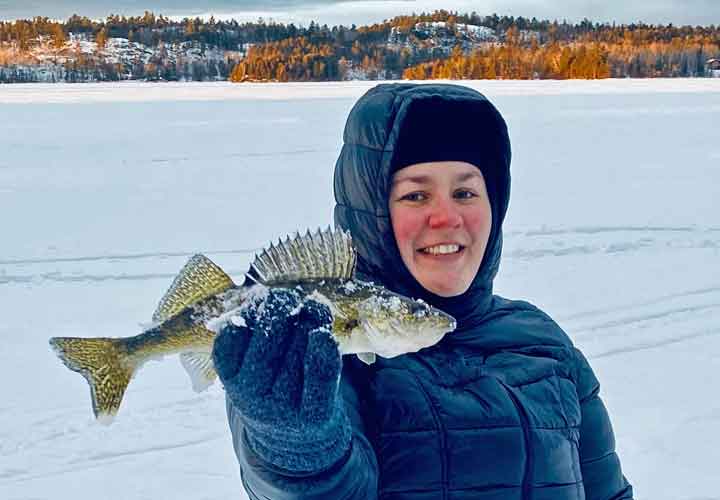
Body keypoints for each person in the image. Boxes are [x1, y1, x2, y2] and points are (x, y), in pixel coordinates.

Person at [212, 83, 634, 499]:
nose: (446, 217)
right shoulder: (322, 349)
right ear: (373, 211)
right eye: (416, 195)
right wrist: (295, 449)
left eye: (465, 192)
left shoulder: (544, 341)